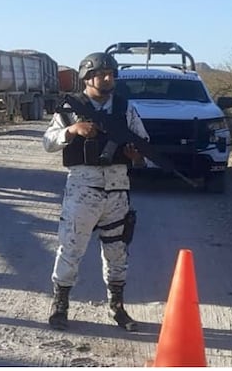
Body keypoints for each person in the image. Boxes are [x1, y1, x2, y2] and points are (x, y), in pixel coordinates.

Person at [42, 51, 149, 331]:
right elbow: (48, 142)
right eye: (102, 74)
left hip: (117, 190)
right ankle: (61, 305)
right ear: (87, 78)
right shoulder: (70, 108)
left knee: (117, 251)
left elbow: (144, 146)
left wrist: (135, 155)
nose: (108, 78)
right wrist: (73, 130)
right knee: (71, 249)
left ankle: (117, 307)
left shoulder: (125, 109)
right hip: (83, 188)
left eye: (111, 74)